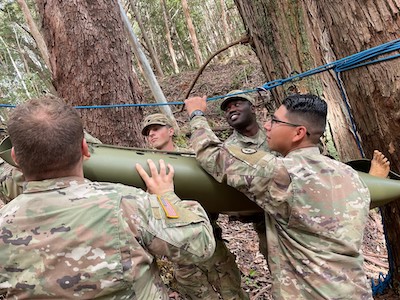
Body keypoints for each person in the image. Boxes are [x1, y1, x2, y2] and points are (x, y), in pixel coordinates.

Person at [0, 96, 215, 299]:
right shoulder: (126, 205)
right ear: (85, 148)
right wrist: (166, 197)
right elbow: (200, 245)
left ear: (15, 158)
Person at [185, 93, 373, 299]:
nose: (267, 126)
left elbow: (211, 154)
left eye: (275, 121)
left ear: (298, 133)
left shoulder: (281, 174)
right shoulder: (350, 174)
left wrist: (196, 114)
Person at [142, 112, 249, 299]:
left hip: (210, 243)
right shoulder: (147, 169)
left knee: (232, 292)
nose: (152, 134)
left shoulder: (192, 159)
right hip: (180, 252)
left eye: (156, 128)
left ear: (171, 131)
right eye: (148, 131)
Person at [221, 90, 270, 260]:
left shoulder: (274, 133)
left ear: (253, 108)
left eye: (237, 104)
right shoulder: (228, 149)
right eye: (227, 109)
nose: (231, 110)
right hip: (265, 222)